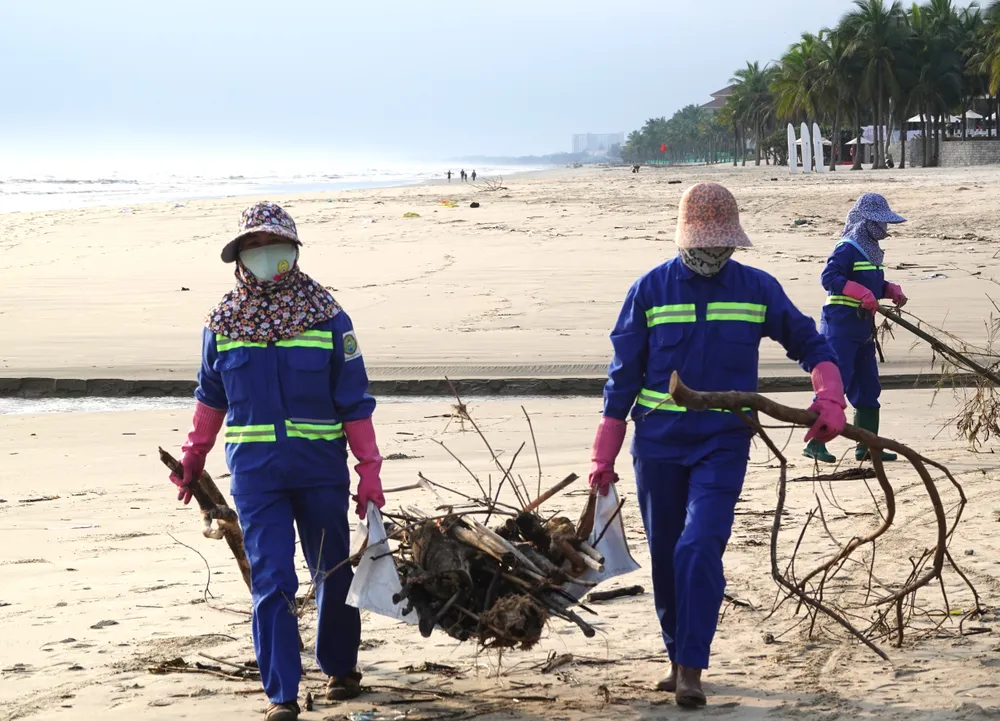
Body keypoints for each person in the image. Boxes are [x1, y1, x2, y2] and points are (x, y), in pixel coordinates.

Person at [586, 183, 846, 708]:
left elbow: (808, 341)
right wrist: (603, 456)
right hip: (658, 442)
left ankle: (691, 667)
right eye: (705, 244)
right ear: (684, 238)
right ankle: (675, 651)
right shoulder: (650, 291)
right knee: (664, 555)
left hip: (723, 443)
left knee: (698, 545)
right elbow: (622, 379)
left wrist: (830, 395)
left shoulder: (756, 289)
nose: (713, 254)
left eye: (721, 244)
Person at [168, 201, 387, 721]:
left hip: (319, 468)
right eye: (254, 248)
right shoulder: (221, 323)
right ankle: (282, 694)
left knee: (332, 571)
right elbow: (210, 396)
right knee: (271, 579)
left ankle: (340, 668)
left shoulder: (330, 317)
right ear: (239, 257)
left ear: (293, 250)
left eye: (275, 247)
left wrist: (370, 471)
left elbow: (355, 400)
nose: (266, 257)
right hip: (255, 472)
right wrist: (193, 456)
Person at [803, 193, 907, 464]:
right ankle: (816, 444)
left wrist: (889, 290)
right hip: (840, 327)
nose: (884, 229)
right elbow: (829, 278)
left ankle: (867, 445)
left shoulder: (872, 252)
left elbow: (872, 286)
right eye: (880, 223)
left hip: (862, 331)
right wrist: (859, 291)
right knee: (835, 386)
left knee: (869, 387)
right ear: (866, 222)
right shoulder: (847, 247)